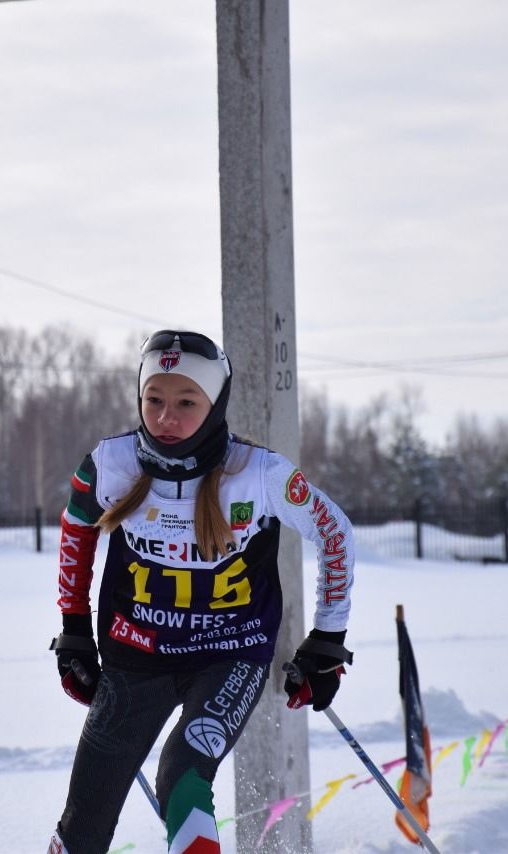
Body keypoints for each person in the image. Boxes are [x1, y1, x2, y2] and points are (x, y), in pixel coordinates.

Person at [47, 330, 355, 854]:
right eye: (154, 400)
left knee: (181, 773)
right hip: (136, 653)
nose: (166, 417)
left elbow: (334, 531)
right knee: (85, 814)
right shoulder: (110, 464)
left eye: (186, 402)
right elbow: (76, 530)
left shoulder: (257, 474)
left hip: (228, 654)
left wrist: (327, 640)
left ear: (215, 404)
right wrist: (74, 629)